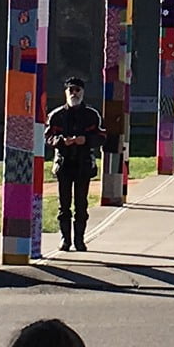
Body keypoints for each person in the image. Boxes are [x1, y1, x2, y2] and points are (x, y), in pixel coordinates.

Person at [44, 76, 102, 253]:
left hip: (83, 164)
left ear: (83, 93)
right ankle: (65, 239)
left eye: (77, 90)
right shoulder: (56, 116)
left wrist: (86, 140)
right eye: (71, 90)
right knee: (64, 205)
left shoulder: (92, 115)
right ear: (66, 92)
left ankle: (79, 240)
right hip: (64, 164)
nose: (74, 93)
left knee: (81, 204)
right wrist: (61, 141)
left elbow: (102, 137)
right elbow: (47, 137)